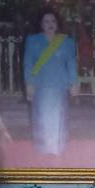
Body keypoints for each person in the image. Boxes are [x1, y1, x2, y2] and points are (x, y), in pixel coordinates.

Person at [23, 8, 77, 156]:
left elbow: (71, 64)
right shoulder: (32, 40)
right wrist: (29, 83)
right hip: (40, 85)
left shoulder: (67, 41)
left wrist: (74, 83)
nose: (50, 24)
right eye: (46, 21)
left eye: (53, 21)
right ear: (41, 24)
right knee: (41, 117)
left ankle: (58, 147)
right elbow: (28, 64)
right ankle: (43, 148)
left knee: (59, 117)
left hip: (60, 85)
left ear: (57, 23)